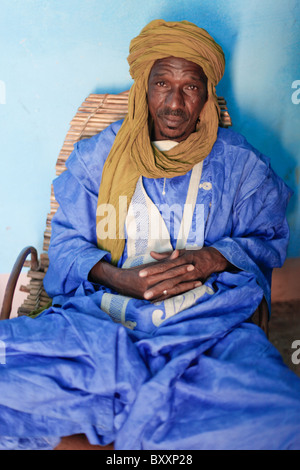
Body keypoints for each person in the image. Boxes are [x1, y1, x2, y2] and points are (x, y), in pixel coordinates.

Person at [0, 19, 300, 451]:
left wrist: (212, 258)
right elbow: (64, 248)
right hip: (98, 325)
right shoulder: (97, 158)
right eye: (162, 83)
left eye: (190, 87)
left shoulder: (241, 166)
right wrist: (118, 279)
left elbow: (268, 239)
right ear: (144, 86)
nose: (175, 103)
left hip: (204, 331)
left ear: (206, 95)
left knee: (283, 416)